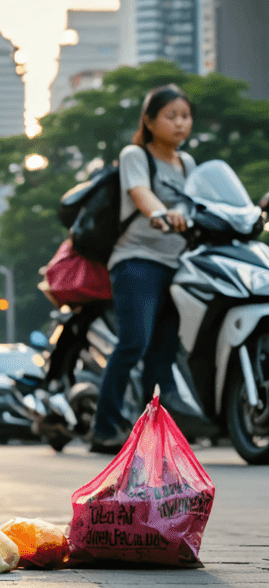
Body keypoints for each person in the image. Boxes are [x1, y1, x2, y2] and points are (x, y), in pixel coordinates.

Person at [90, 84, 198, 453]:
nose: (180, 123)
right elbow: (140, 192)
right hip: (137, 261)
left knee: (164, 352)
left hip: (178, 265)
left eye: (185, 116)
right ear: (149, 121)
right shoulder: (135, 154)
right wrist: (161, 213)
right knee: (134, 342)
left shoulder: (189, 164)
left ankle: (153, 436)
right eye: (171, 116)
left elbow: (201, 202)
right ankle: (104, 427)